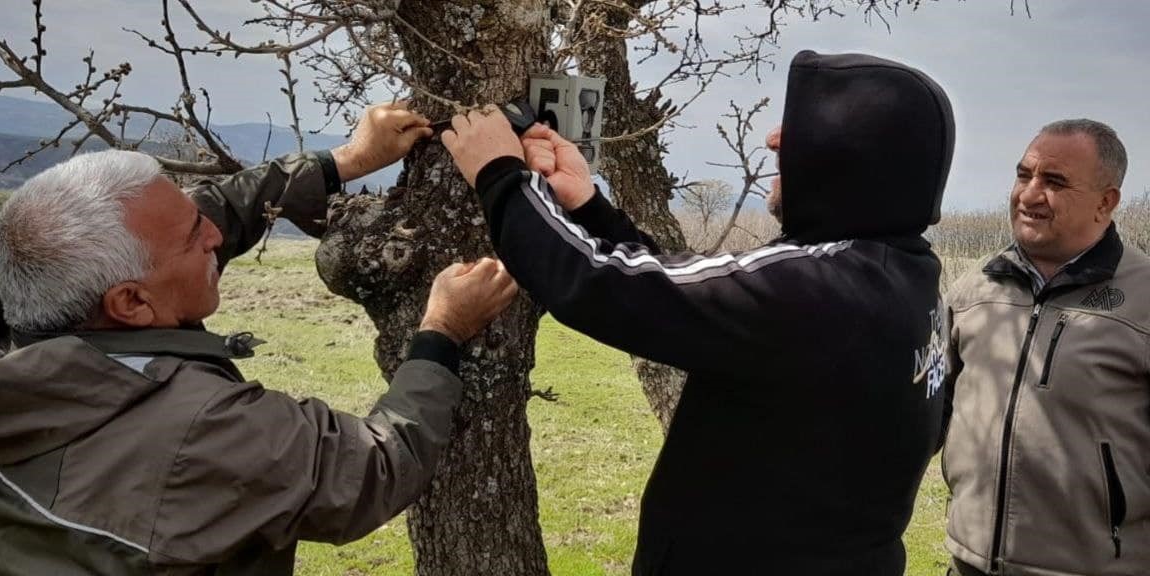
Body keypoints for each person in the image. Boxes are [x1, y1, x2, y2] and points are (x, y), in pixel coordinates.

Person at [0, 101, 519, 575]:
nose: (214, 234)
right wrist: (442, 332)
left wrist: (341, 161)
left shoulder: (2, 324)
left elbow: (199, 214)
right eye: (192, 238)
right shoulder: (198, 429)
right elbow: (373, 467)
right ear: (131, 303)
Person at [441, 50, 956, 574]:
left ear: (850, 156)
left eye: (802, 129)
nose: (774, 141)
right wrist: (587, 205)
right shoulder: (908, 277)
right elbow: (690, 295)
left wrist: (499, 173)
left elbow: (603, 287)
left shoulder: (822, 289)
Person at [941, 119, 1148, 576]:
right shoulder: (973, 289)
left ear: (1106, 202)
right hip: (967, 563)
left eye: (1054, 182)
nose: (1029, 195)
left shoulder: (1144, 300)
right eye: (1023, 175)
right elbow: (928, 418)